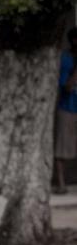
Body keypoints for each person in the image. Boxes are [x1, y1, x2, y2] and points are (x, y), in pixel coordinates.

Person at [54, 27, 77, 195]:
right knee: (62, 146)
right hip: (68, 107)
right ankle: (61, 183)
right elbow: (67, 87)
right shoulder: (66, 60)